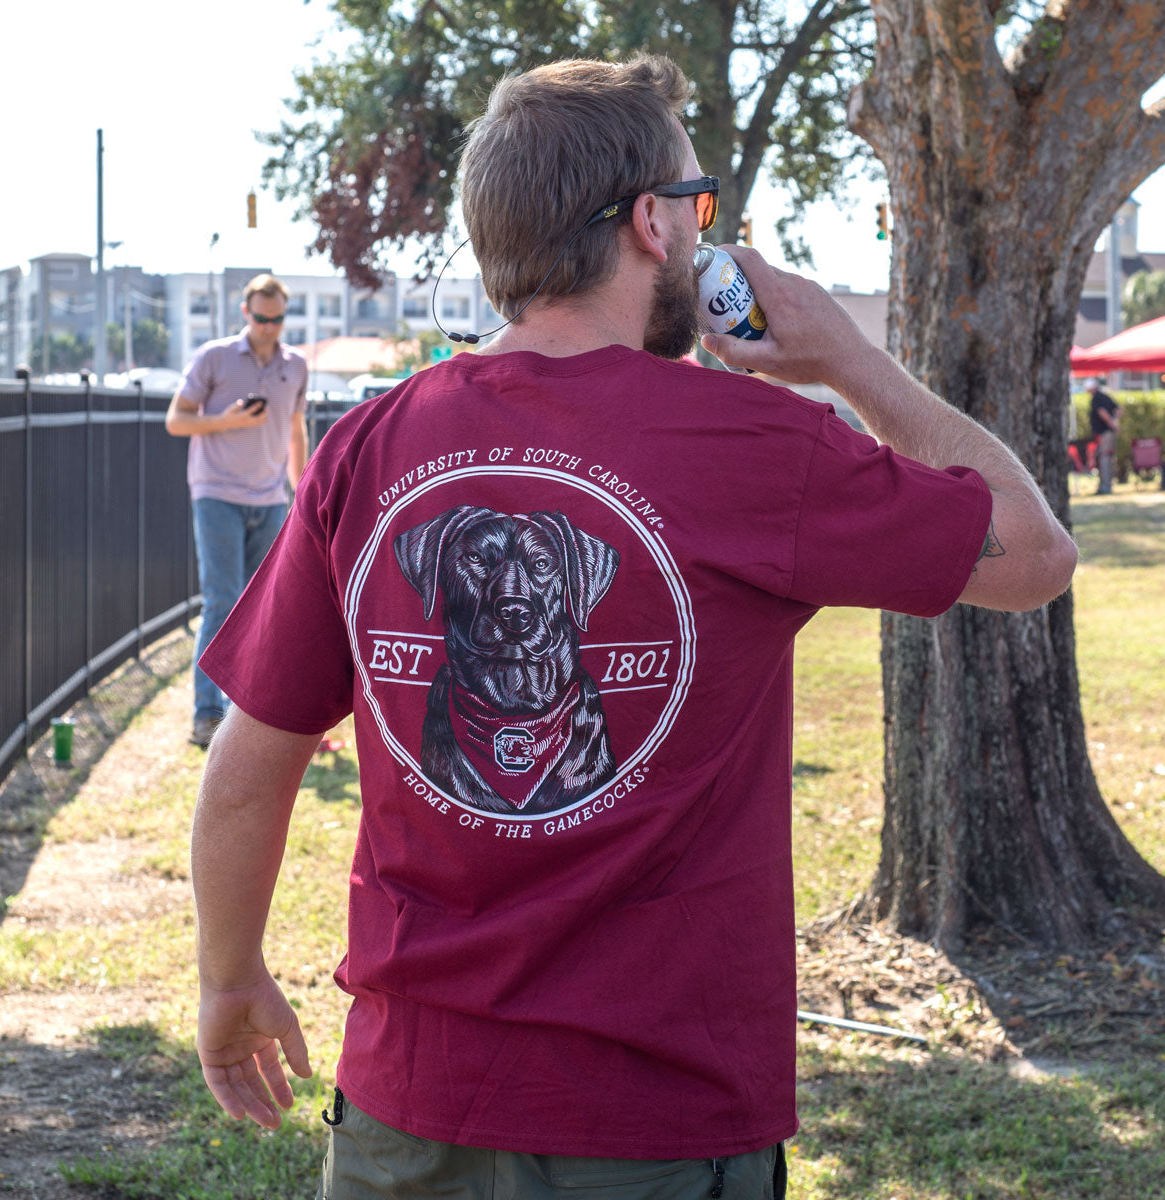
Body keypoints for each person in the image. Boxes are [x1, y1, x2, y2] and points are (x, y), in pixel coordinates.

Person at [190, 55, 1077, 1199]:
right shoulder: (755, 444)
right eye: (699, 204)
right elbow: (1034, 554)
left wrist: (227, 981)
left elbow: (251, 764)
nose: (703, 232)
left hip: (406, 1115)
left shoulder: (369, 447)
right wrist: (847, 360)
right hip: (661, 1121)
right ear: (652, 224)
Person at [166, 274, 309, 747]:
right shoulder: (215, 357)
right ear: (246, 313)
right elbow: (176, 420)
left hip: (268, 499)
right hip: (216, 494)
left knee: (260, 610)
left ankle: (243, 716)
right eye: (261, 318)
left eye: (278, 319)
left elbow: (295, 431)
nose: (269, 327)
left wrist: (303, 491)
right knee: (221, 600)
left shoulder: (296, 366)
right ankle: (206, 715)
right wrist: (225, 420)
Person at [1086, 376, 1121, 494]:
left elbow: (1103, 413)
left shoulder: (1097, 398)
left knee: (1104, 459)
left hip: (1104, 433)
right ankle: (1106, 485)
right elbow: (1118, 409)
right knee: (1107, 458)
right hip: (1107, 432)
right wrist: (1114, 421)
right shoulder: (1105, 396)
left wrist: (1112, 424)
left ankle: (1106, 487)